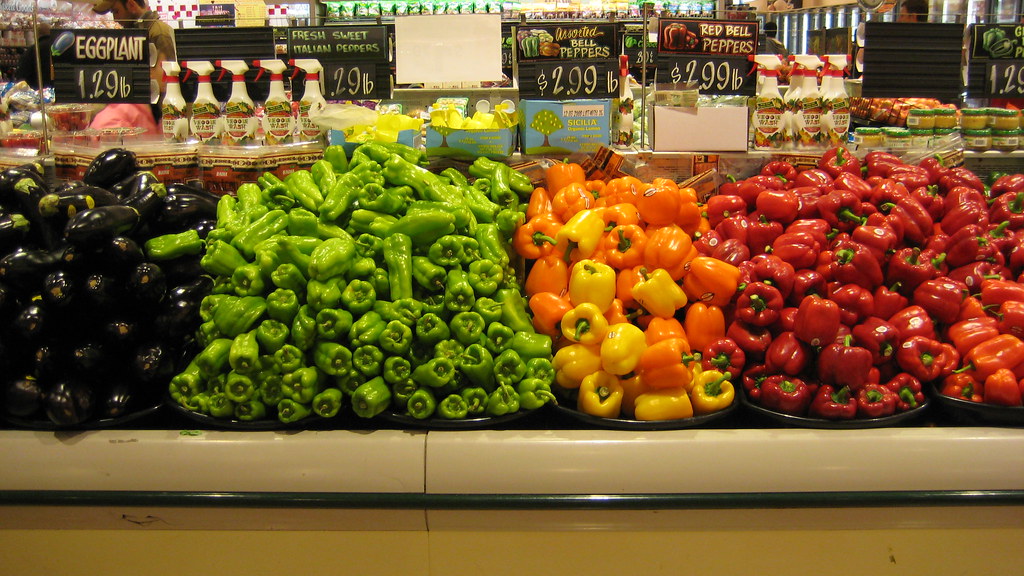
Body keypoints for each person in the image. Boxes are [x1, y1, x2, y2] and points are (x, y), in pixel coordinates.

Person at [91, 0, 176, 132]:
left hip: (156, 118)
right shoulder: (136, 31)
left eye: (116, 11)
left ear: (131, 5)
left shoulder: (157, 32)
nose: (115, 19)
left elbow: (169, 80)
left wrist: (165, 122)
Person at [16, 20, 53, 90]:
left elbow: (22, 73)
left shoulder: (32, 50)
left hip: (37, 90)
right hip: (58, 91)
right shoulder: (59, 48)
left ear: (37, 34)